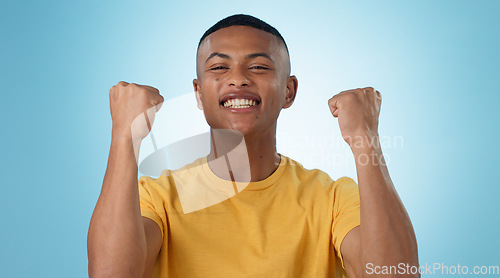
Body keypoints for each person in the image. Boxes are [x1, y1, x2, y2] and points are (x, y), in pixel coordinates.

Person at [87, 14, 419, 278]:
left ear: (289, 91)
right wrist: (124, 136)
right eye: (219, 67)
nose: (238, 78)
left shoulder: (333, 200)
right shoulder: (156, 198)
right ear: (199, 93)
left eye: (258, 66)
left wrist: (366, 140)